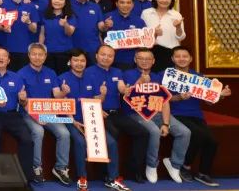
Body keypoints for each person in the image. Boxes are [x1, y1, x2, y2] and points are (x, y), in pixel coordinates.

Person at [59, 49, 131, 191]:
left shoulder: (91, 78)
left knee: (111, 143)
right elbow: (61, 102)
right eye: (76, 60)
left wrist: (102, 95)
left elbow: (96, 100)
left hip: (90, 118)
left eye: (82, 60)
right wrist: (72, 120)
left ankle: (112, 179)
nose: (79, 63)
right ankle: (82, 178)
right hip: (71, 120)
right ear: (70, 62)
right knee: (80, 142)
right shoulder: (62, 78)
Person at [119, 47, 191, 184]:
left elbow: (165, 101)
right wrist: (140, 81)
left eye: (148, 59)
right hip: (135, 113)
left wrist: (165, 123)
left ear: (153, 61)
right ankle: (152, 165)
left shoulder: (157, 77)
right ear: (135, 60)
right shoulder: (126, 74)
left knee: (184, 132)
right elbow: (128, 96)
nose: (144, 61)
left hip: (157, 112)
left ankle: (175, 164)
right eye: (141, 58)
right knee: (154, 131)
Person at [163, 46, 230, 187]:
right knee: (197, 134)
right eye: (178, 56)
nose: (181, 59)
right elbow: (161, 99)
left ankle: (203, 173)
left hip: (196, 115)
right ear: (172, 59)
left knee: (212, 142)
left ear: (190, 59)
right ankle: (184, 166)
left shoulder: (199, 77)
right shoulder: (167, 75)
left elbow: (209, 101)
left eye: (185, 56)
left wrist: (220, 95)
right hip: (176, 114)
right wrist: (179, 97)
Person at [86, 44, 149, 183]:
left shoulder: (117, 72)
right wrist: (96, 108)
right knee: (113, 133)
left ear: (114, 58)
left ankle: (134, 171)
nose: (106, 58)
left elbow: (123, 89)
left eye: (110, 55)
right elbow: (84, 94)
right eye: (103, 54)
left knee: (143, 132)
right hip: (98, 113)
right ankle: (105, 173)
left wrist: (131, 87)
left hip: (117, 113)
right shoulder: (88, 72)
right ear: (96, 56)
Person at [17, 43, 70, 185]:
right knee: (38, 131)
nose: (37, 57)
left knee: (64, 133)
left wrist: (63, 92)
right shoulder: (21, 73)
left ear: (45, 56)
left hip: (48, 112)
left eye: (40, 54)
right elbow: (23, 102)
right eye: (34, 54)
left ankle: (60, 168)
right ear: (29, 55)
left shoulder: (51, 72)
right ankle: (36, 167)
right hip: (28, 113)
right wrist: (35, 115)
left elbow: (56, 94)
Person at [0, 46, 34, 179]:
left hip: (12, 115)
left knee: (27, 139)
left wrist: (23, 99)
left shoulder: (17, 77)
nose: (1, 58)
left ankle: (25, 178)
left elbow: (23, 103)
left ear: (8, 60)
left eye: (4, 56)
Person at [142, 0, 185, 71]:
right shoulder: (146, 13)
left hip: (170, 52)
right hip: (151, 52)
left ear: (172, 0)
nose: (164, 0)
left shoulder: (176, 15)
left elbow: (181, 37)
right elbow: (142, 34)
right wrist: (153, 33)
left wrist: (178, 27)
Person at [5, 0, 40, 71]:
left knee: (23, 76)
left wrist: (28, 22)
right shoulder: (3, 5)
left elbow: (34, 29)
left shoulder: (30, 6)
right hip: (6, 48)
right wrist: (3, 28)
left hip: (25, 48)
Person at [102, 0, 145, 71]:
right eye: (122, 2)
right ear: (116, 4)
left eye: (128, 3)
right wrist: (105, 26)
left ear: (133, 4)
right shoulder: (107, 17)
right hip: (109, 61)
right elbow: (99, 34)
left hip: (132, 62)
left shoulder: (139, 21)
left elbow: (144, 42)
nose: (125, 5)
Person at [40, 0, 76, 72]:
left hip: (65, 52)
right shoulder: (45, 15)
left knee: (63, 75)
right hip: (48, 52)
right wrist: (40, 48)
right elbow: (42, 34)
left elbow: (69, 33)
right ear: (51, 0)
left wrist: (65, 24)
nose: (57, 1)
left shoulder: (70, 16)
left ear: (65, 2)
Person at [69, 0, 103, 66]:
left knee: (93, 72)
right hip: (73, 48)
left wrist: (106, 25)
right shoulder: (68, 6)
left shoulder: (95, 6)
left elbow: (101, 26)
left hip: (93, 48)